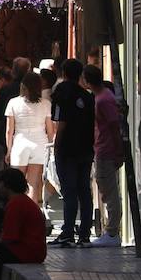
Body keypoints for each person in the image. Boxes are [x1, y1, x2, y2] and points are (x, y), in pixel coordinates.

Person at [50, 58, 95, 247]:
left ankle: (68, 232)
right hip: (85, 148)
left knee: (69, 191)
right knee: (84, 190)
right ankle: (84, 233)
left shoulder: (61, 93)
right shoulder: (87, 96)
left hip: (67, 149)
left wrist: (57, 145)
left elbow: (61, 123)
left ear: (64, 73)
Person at [83, 64, 123, 247]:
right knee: (106, 188)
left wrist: (118, 151)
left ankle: (112, 232)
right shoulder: (101, 97)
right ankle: (111, 231)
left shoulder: (103, 100)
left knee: (109, 191)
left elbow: (114, 125)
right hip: (103, 148)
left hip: (107, 149)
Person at [4, 72, 52, 208]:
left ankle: (17, 213)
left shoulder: (13, 103)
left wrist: (8, 150)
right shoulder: (46, 104)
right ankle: (32, 215)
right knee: (33, 185)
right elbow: (50, 130)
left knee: (15, 185)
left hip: (20, 143)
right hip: (39, 144)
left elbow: (9, 130)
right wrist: (51, 149)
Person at [0, 59, 30, 172]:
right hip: (28, 134)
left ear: (14, 71)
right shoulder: (33, 91)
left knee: (8, 166)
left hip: (9, 131)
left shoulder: (6, 89)